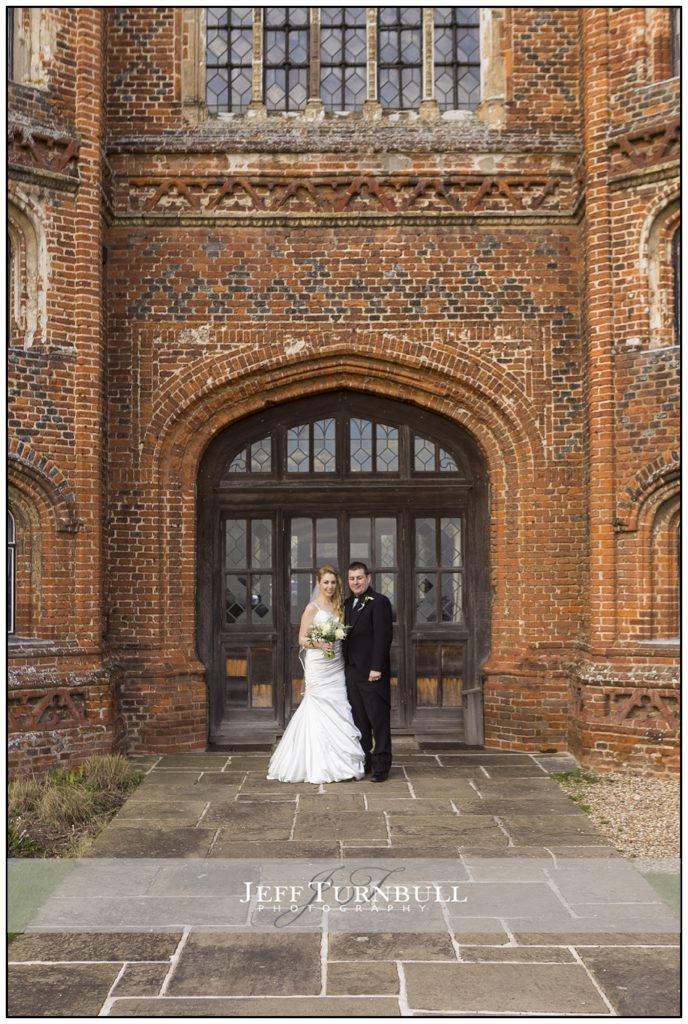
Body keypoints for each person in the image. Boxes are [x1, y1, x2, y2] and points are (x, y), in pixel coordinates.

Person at [266, 565, 365, 784]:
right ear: (318, 584)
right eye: (325, 582)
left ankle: (343, 763)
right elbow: (301, 639)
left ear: (337, 583)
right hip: (319, 665)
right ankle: (317, 763)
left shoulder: (340, 606)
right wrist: (320, 644)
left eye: (333, 582)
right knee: (317, 707)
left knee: (339, 705)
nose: (329, 586)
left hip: (336, 665)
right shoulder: (312, 608)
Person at [343, 562, 394, 782]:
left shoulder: (380, 602)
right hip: (352, 672)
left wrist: (376, 667)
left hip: (372, 673)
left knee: (378, 719)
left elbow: (383, 637)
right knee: (360, 720)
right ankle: (366, 761)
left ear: (368, 578)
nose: (356, 582)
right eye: (352, 578)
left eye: (359, 578)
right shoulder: (346, 604)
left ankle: (382, 766)